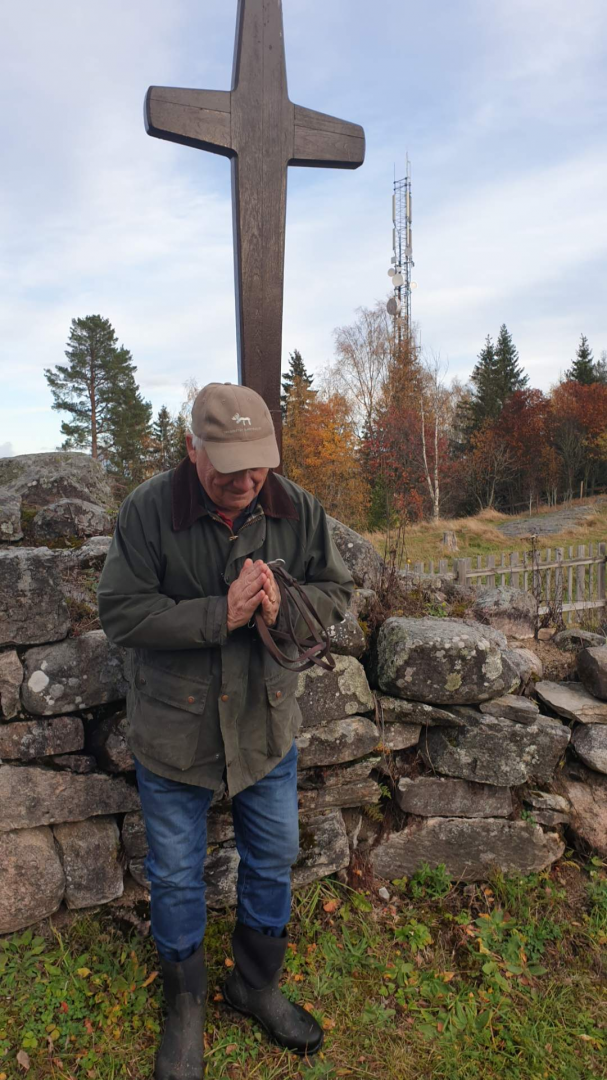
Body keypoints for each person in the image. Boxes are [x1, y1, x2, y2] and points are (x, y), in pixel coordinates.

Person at [98, 382, 353, 1079]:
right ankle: (184, 1007)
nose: (245, 480)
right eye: (228, 465)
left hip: (263, 724)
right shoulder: (148, 510)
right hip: (173, 730)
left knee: (273, 858)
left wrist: (284, 606)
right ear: (191, 448)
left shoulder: (295, 506)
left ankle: (254, 985)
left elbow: (336, 594)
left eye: (258, 464)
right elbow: (121, 614)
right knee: (176, 877)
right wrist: (222, 615)